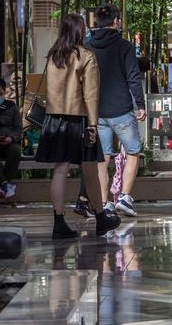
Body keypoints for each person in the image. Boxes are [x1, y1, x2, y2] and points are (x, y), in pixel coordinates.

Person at [34, 14, 121, 239]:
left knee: (60, 170)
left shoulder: (53, 56)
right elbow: (91, 95)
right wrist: (92, 125)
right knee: (90, 169)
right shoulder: (85, 56)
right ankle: (101, 218)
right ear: (79, 31)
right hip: (79, 119)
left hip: (54, 119)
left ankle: (58, 221)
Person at [88, 4, 146, 217]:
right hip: (121, 109)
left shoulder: (88, 45)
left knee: (102, 158)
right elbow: (133, 77)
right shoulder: (125, 46)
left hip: (97, 110)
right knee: (132, 151)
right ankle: (124, 197)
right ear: (115, 22)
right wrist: (140, 104)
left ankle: (104, 203)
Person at [0, 77, 21, 199]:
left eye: (0, 94)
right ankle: (5, 185)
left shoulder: (12, 107)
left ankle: (3, 185)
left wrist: (11, 138)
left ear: (5, 92)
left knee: (16, 150)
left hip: (8, 141)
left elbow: (18, 129)